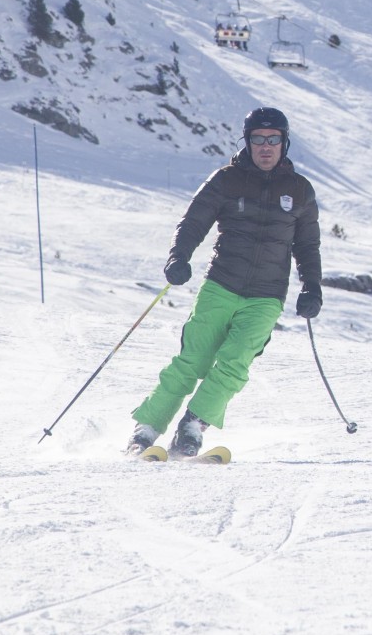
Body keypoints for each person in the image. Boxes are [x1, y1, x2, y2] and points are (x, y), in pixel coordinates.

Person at [128, 107, 323, 457]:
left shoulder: (300, 190)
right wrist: (179, 256)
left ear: (285, 143)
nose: (266, 146)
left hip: (266, 296)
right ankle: (146, 430)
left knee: (235, 363)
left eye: (273, 139)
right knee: (193, 361)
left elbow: (307, 245)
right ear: (247, 142)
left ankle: (193, 426)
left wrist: (312, 287)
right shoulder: (226, 180)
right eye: (258, 139)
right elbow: (193, 221)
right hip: (221, 285)